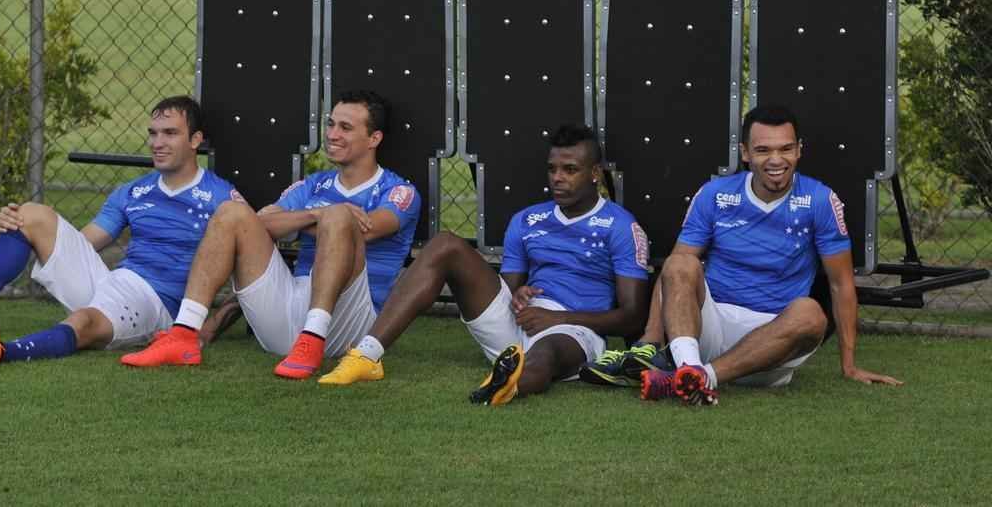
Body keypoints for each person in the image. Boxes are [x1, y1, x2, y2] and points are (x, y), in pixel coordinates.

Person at [582, 104, 903, 405]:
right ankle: (689, 367)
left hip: (774, 341)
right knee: (680, 261)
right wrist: (649, 340)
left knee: (811, 314)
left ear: (799, 150)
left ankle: (694, 377)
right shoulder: (715, 194)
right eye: (763, 150)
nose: (776, 160)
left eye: (785, 149)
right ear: (746, 153)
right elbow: (674, 274)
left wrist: (850, 365)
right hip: (710, 327)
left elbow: (842, 285)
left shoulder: (820, 200)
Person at [0, 96, 245, 366]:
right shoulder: (132, 192)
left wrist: (207, 327)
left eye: (170, 133)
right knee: (30, 214)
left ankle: (0, 352)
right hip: (115, 282)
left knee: (82, 320)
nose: (158, 142)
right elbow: (87, 241)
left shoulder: (221, 197)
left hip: (156, 304)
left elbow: (249, 272)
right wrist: (21, 228)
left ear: (196, 140)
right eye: (153, 133)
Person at [317, 124, 650, 406]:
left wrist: (557, 317)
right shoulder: (528, 219)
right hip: (520, 323)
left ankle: (506, 384)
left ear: (594, 174)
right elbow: (507, 288)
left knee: (546, 351)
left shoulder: (621, 226)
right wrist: (519, 294)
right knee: (445, 243)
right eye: (552, 169)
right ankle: (365, 355)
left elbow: (632, 316)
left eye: (570, 170)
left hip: (574, 330)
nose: (558, 179)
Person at [120, 89, 420, 380]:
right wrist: (315, 215)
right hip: (289, 311)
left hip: (350, 323)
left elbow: (365, 229)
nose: (331, 134)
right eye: (330, 124)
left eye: (345, 127)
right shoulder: (313, 186)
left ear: (374, 138)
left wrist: (316, 218)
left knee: (340, 215)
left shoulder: (398, 191)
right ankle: (184, 335)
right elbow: (260, 221)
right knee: (231, 212)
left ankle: (313, 338)